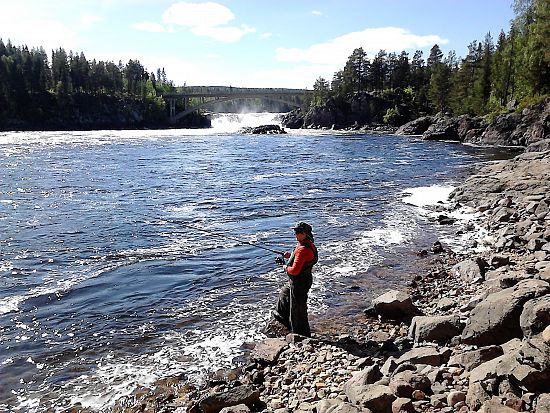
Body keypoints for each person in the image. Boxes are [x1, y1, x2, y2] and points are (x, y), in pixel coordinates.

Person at [272, 222, 318, 337]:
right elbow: (300, 257)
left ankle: (302, 335)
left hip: (299, 283)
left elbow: (295, 270)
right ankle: (281, 321)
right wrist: (289, 255)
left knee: (298, 310)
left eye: (298, 232)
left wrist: (285, 267)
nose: (295, 234)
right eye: (295, 232)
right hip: (303, 280)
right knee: (284, 293)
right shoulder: (307, 244)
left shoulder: (303, 249)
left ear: (305, 234)